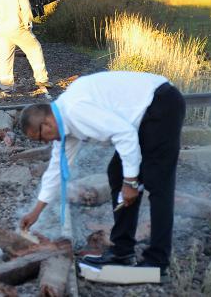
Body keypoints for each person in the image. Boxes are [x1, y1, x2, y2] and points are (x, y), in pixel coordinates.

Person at [17, 71, 185, 278]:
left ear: (48, 123)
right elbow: (56, 170)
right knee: (116, 174)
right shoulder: (63, 123)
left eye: (40, 137)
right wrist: (36, 211)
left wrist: (131, 182)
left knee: (158, 183)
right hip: (144, 114)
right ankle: (122, 252)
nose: (44, 142)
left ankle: (157, 263)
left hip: (160, 104)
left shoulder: (76, 110)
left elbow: (124, 133)